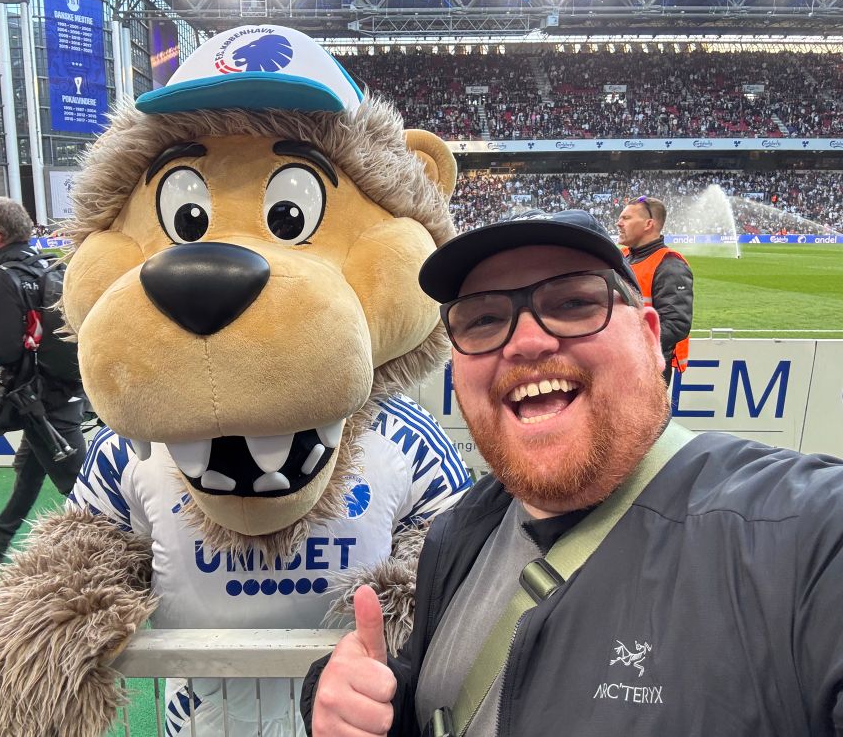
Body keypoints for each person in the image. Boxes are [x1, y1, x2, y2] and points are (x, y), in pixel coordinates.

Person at [303, 209, 843, 737]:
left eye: (574, 303)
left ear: (652, 337)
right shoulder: (459, 532)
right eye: (485, 319)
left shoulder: (797, 534)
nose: (526, 341)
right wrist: (363, 702)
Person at [0, 197, 87, 565]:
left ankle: (125, 545)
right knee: (30, 464)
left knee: (79, 483)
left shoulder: (2, 277)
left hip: (39, 395)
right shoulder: (43, 264)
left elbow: (3, 348)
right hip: (59, 385)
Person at [616, 195, 693, 385]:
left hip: (647, 371)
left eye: (626, 218)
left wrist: (631, 345)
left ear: (648, 224)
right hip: (622, 364)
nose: (619, 223)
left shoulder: (669, 265)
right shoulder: (623, 257)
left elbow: (676, 324)